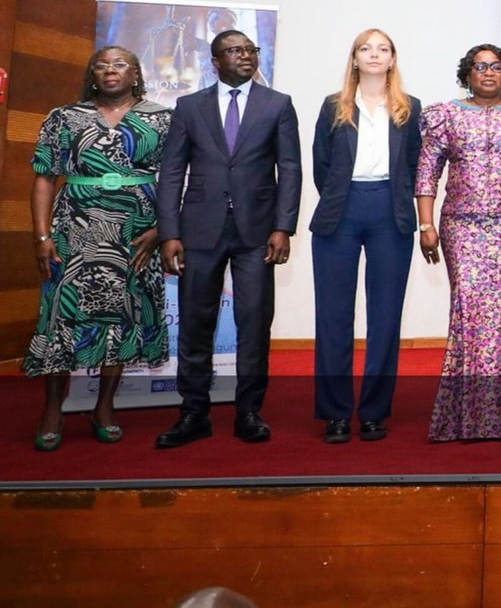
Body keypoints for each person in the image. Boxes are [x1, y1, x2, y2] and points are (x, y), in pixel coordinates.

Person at [155, 31, 301, 448]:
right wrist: (170, 233)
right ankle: (193, 413)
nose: (246, 57)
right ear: (215, 61)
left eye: (251, 50)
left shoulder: (278, 104)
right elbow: (171, 173)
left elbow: (289, 169)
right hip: (199, 229)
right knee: (195, 324)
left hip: (257, 232)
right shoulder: (189, 106)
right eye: (235, 51)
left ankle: (249, 413)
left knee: (254, 324)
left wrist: (283, 227)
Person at [25, 48, 170, 450]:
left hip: (136, 234)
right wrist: (41, 237)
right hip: (74, 229)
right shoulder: (64, 117)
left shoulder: (164, 118)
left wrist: (161, 228)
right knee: (62, 315)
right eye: (101, 65)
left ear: (137, 73)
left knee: (121, 314)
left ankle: (105, 407)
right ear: (92, 75)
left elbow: (179, 179)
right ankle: (53, 409)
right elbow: (43, 179)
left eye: (120, 64)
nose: (110, 70)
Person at [416, 44, 501, 442]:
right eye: (479, 67)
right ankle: (466, 413)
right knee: (469, 307)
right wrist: (426, 226)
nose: (488, 73)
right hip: (461, 227)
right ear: (467, 74)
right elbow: (426, 173)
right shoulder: (446, 115)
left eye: (495, 67)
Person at [309, 29, 422, 444]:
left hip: (390, 213)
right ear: (354, 59)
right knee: (334, 316)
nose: (374, 54)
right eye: (365, 48)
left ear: (393, 59)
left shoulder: (409, 108)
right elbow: (322, 165)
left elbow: (413, 164)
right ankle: (335, 413)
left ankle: (374, 411)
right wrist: (343, 196)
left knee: (386, 317)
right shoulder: (333, 106)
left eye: (383, 49)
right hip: (340, 212)